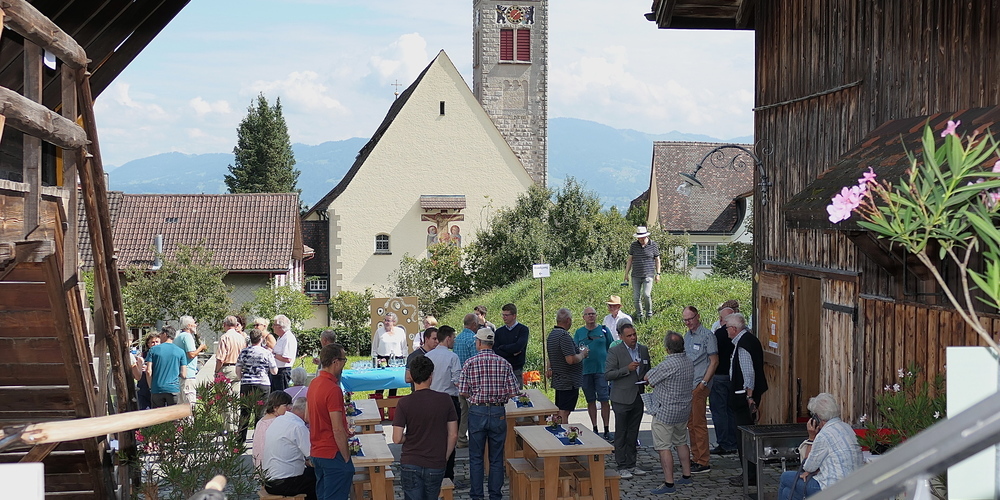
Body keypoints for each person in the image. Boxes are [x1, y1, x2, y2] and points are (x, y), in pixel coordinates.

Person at [458, 328, 519, 500]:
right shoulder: (504, 363)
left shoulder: (470, 363)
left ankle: (477, 495)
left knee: (476, 457)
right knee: (496, 457)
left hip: (477, 410)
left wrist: (475, 397)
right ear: (492, 343)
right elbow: (514, 391)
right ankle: (495, 495)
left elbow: (463, 391)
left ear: (478, 342)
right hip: (498, 410)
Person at [394, 356, 459, 500]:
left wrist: (408, 436)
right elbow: (453, 434)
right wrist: (445, 457)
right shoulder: (445, 399)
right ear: (431, 375)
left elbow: (397, 438)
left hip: (411, 461)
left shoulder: (404, 403)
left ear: (411, 376)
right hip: (435, 462)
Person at [778, 393, 862, 500]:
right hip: (853, 484)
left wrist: (811, 437)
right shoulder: (847, 428)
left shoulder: (824, 435)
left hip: (831, 489)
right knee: (787, 492)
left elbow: (807, 466)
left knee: (785, 477)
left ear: (817, 418)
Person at [645, 332, 695, 494]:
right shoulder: (688, 361)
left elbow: (649, 378)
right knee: (681, 441)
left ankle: (669, 483)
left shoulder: (667, 365)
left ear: (667, 349)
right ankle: (687, 476)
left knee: (663, 446)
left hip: (665, 411)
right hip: (683, 409)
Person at [726, 312, 769, 487]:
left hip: (743, 398)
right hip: (744, 396)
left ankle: (750, 475)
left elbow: (748, 374)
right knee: (746, 437)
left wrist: (749, 397)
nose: (726, 330)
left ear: (735, 329)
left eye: (727, 327)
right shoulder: (748, 340)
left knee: (745, 438)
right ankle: (748, 473)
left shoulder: (744, 345)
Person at [605, 322, 651, 479]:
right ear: (621, 337)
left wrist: (648, 378)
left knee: (633, 432)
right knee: (621, 432)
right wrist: (627, 369)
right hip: (621, 398)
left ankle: (632, 463)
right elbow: (608, 374)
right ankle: (621, 464)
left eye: (634, 334)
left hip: (638, 396)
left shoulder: (643, 349)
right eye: (629, 335)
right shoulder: (615, 351)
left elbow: (647, 368)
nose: (633, 338)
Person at [308, 343, 353, 500]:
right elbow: (337, 429)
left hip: (317, 451)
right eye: (344, 360)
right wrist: (346, 458)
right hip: (332, 452)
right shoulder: (333, 389)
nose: (344, 364)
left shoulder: (314, 383)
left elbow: (307, 417)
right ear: (335, 362)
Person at [682, 305, 719, 474]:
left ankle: (703, 460)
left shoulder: (707, 336)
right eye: (685, 320)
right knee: (690, 424)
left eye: (690, 319)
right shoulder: (687, 336)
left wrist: (704, 383)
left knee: (699, 423)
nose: (688, 322)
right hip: (687, 385)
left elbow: (714, 361)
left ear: (698, 316)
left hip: (699, 385)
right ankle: (695, 457)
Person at [424, 325, 463, 481]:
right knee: (450, 438)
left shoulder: (428, 356)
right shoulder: (452, 357)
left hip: (430, 399)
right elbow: (457, 381)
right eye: (453, 338)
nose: (454, 341)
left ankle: (431, 472)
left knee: (432, 438)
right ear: (448, 338)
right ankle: (447, 475)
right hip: (448, 400)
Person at [263, 397, 316, 500]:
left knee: (311, 474)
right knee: (321, 478)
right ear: (307, 410)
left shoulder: (279, 420)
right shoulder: (298, 426)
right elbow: (313, 455)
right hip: (284, 483)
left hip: (269, 480)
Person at [574, 306, 613, 439]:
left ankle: (607, 429)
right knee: (590, 400)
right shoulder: (579, 332)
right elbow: (574, 350)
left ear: (596, 316)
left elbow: (611, 347)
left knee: (604, 399)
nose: (591, 316)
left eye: (593, 314)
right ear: (583, 317)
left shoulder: (604, 330)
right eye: (588, 314)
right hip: (585, 371)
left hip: (602, 370)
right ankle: (595, 428)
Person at [546, 308, 588, 423]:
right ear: (568, 320)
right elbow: (571, 359)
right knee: (564, 412)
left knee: (561, 410)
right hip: (569, 381)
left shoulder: (552, 335)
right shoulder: (564, 336)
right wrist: (583, 354)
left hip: (560, 380)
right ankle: (563, 434)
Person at [236, 328, 278, 443]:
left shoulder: (244, 352)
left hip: (247, 383)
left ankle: (240, 438)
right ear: (261, 339)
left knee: (245, 411)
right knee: (260, 411)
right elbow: (274, 371)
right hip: (262, 383)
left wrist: (242, 378)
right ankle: (258, 437)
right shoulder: (266, 352)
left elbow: (238, 369)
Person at [710, 307, 738, 455]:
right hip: (733, 377)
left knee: (719, 411)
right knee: (731, 410)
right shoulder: (739, 333)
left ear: (722, 320)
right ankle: (733, 442)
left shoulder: (719, 334)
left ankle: (724, 443)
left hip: (719, 375)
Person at [623, 226, 661, 321]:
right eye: (638, 237)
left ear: (646, 236)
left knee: (646, 294)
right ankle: (640, 316)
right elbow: (630, 260)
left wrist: (658, 274)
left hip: (648, 274)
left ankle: (649, 314)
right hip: (635, 275)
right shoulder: (634, 245)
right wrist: (626, 274)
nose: (640, 239)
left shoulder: (653, 245)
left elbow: (657, 260)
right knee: (636, 297)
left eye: (642, 237)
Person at [454, 314, 479, 449]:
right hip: (471, 382)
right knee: (474, 411)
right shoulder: (472, 339)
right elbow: (475, 362)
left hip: (460, 382)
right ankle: (475, 438)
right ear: (474, 325)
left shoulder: (457, 339)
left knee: (463, 411)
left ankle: (461, 438)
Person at [146, 326, 187, 408]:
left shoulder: (153, 350)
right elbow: (184, 374)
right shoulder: (181, 352)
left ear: (165, 334)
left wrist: (151, 387)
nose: (160, 336)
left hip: (157, 388)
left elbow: (148, 371)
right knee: (174, 417)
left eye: (161, 334)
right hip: (173, 389)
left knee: (158, 417)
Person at [372, 312, 409, 397]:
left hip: (397, 360)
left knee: (393, 384)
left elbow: (404, 347)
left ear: (394, 322)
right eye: (385, 320)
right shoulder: (379, 331)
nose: (386, 322)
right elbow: (374, 348)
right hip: (382, 360)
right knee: (381, 385)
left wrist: (405, 359)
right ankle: (378, 404)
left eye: (388, 320)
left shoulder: (400, 332)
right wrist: (375, 360)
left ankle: (391, 406)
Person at [253, 390, 293, 468]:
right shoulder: (277, 422)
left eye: (290, 405)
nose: (290, 408)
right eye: (286, 405)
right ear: (275, 407)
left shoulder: (261, 421)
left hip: (260, 465)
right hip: (274, 466)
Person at [174, 315, 206, 408]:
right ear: (188, 325)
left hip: (180, 374)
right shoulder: (187, 336)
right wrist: (201, 347)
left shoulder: (178, 336)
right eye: (193, 324)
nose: (195, 325)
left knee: (181, 404)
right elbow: (191, 354)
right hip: (188, 374)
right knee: (189, 404)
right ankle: (190, 422)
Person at [493, 303, 529, 388]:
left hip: (516, 368)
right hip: (501, 368)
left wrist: (503, 347)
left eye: (506, 315)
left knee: (517, 394)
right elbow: (495, 350)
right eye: (503, 315)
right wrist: (512, 353)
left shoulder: (522, 330)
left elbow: (518, 346)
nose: (504, 317)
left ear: (514, 316)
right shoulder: (499, 332)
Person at [216, 315, 247, 395]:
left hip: (227, 368)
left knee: (225, 396)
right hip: (238, 368)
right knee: (236, 396)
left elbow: (220, 358)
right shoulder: (241, 338)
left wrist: (216, 371)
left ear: (224, 324)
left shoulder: (224, 337)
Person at [271, 314, 298, 392]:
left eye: (274, 325)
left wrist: (273, 354)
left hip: (283, 372)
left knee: (282, 396)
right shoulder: (281, 337)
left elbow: (288, 359)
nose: (272, 327)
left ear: (280, 326)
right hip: (277, 371)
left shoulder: (288, 338)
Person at [136, 333, 160, 410]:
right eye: (152, 342)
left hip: (157, 387)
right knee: (145, 411)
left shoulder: (162, 355)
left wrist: (149, 368)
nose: (155, 344)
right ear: (148, 344)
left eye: (157, 342)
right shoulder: (143, 355)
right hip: (144, 387)